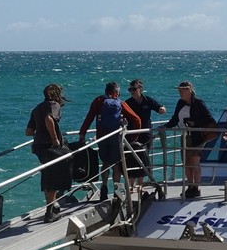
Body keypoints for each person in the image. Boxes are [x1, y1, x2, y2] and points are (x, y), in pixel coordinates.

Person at [77, 82, 142, 198]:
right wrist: (134, 136)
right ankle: (117, 191)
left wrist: (82, 134)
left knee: (105, 162)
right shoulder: (120, 103)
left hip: (102, 137)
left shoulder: (99, 101)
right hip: (115, 137)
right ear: (117, 92)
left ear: (106, 90)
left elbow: (89, 118)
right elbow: (137, 119)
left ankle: (104, 186)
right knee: (116, 165)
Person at [167, 80, 217, 199]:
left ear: (189, 90)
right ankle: (190, 185)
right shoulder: (180, 103)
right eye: (179, 90)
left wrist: (196, 124)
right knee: (186, 163)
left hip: (197, 136)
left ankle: (196, 187)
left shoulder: (199, 103)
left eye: (182, 90)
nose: (180, 92)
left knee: (194, 162)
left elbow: (209, 118)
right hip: (185, 135)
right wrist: (166, 126)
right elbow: (175, 118)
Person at [26, 83, 69, 222]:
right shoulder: (53, 105)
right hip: (50, 146)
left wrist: (41, 131)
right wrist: (54, 139)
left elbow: (29, 132)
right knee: (53, 177)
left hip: (39, 147)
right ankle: (50, 211)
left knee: (48, 174)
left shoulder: (37, 108)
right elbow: (49, 118)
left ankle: (53, 204)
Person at [124, 78, 165, 187]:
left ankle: (140, 184)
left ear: (140, 89)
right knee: (131, 158)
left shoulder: (148, 100)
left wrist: (162, 109)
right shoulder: (127, 103)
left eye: (134, 89)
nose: (132, 91)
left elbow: (159, 107)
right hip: (132, 135)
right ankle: (131, 185)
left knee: (143, 158)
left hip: (146, 134)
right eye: (130, 89)